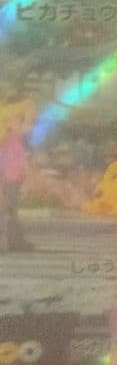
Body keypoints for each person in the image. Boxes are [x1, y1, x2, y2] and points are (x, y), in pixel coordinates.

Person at [0, 95, 37, 252]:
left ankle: (16, 241)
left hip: (13, 179)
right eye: (23, 121)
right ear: (10, 122)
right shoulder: (6, 140)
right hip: (8, 180)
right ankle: (15, 241)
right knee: (8, 211)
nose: (29, 126)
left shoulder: (16, 139)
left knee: (10, 211)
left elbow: (21, 160)